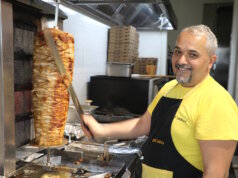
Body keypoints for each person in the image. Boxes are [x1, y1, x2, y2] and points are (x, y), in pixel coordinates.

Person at [81, 24, 238, 178]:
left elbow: (216, 173)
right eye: (178, 52)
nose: (181, 60)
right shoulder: (169, 87)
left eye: (192, 55)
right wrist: (101, 129)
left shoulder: (216, 101)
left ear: (211, 61)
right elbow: (143, 124)